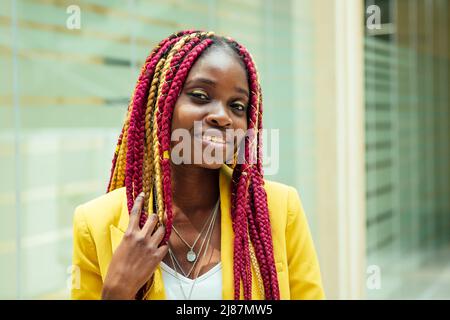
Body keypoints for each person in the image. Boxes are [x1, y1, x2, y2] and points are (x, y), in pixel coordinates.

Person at [71, 30, 324, 300]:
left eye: (237, 106)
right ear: (159, 105)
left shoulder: (281, 209)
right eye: (201, 96)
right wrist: (117, 292)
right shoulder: (95, 222)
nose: (222, 116)